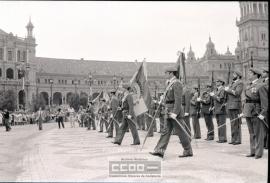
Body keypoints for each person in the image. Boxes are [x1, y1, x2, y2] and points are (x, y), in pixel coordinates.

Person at [149, 66, 193, 158]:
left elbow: (178, 99)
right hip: (168, 109)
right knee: (165, 131)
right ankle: (159, 150)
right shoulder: (169, 83)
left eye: (166, 73)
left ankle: (188, 150)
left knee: (181, 131)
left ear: (171, 73)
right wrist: (163, 99)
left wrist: (175, 112)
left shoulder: (177, 83)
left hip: (174, 111)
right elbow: (169, 96)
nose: (165, 74)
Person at [242, 68, 267, 159]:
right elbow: (245, 99)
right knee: (251, 133)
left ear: (256, 75)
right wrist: (243, 111)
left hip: (256, 110)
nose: (249, 75)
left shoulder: (261, 85)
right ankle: (252, 151)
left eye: (250, 73)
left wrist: (262, 113)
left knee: (258, 133)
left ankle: (258, 152)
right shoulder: (249, 85)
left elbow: (264, 101)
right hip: (248, 110)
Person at [224, 70, 244, 145]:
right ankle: (233, 139)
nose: (233, 75)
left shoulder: (240, 83)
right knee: (232, 123)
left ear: (238, 75)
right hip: (230, 105)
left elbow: (237, 93)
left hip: (236, 105)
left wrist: (228, 90)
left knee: (236, 123)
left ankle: (238, 140)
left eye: (234, 74)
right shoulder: (232, 83)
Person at [210, 78, 227, 143]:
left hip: (221, 109)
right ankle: (221, 138)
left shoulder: (222, 89)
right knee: (219, 124)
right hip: (217, 109)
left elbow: (221, 100)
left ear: (221, 82)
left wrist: (213, 95)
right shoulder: (217, 90)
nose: (216, 83)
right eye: (216, 81)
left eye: (218, 81)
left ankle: (222, 138)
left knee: (221, 124)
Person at [260, 68, 268, 149]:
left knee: (267, 125)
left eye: (264, 72)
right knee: (263, 126)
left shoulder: (266, 82)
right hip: (263, 106)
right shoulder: (262, 82)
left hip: (266, 107)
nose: (262, 73)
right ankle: (264, 143)